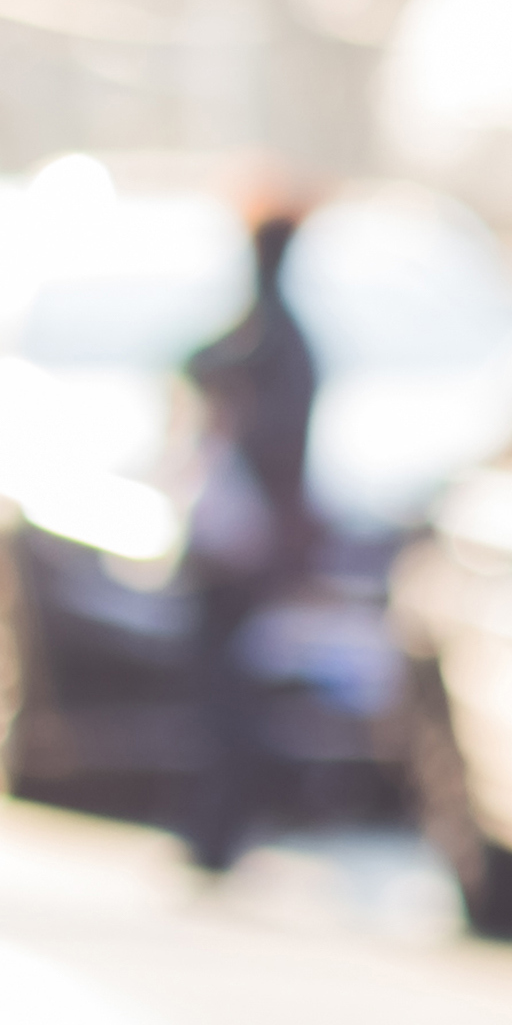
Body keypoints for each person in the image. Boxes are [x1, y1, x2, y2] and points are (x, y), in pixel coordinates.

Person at [177, 204, 319, 873]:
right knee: (224, 687)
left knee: (228, 690)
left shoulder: (270, 337)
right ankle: (216, 822)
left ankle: (223, 824)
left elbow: (203, 369)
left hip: (244, 542)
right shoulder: (275, 335)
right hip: (245, 539)